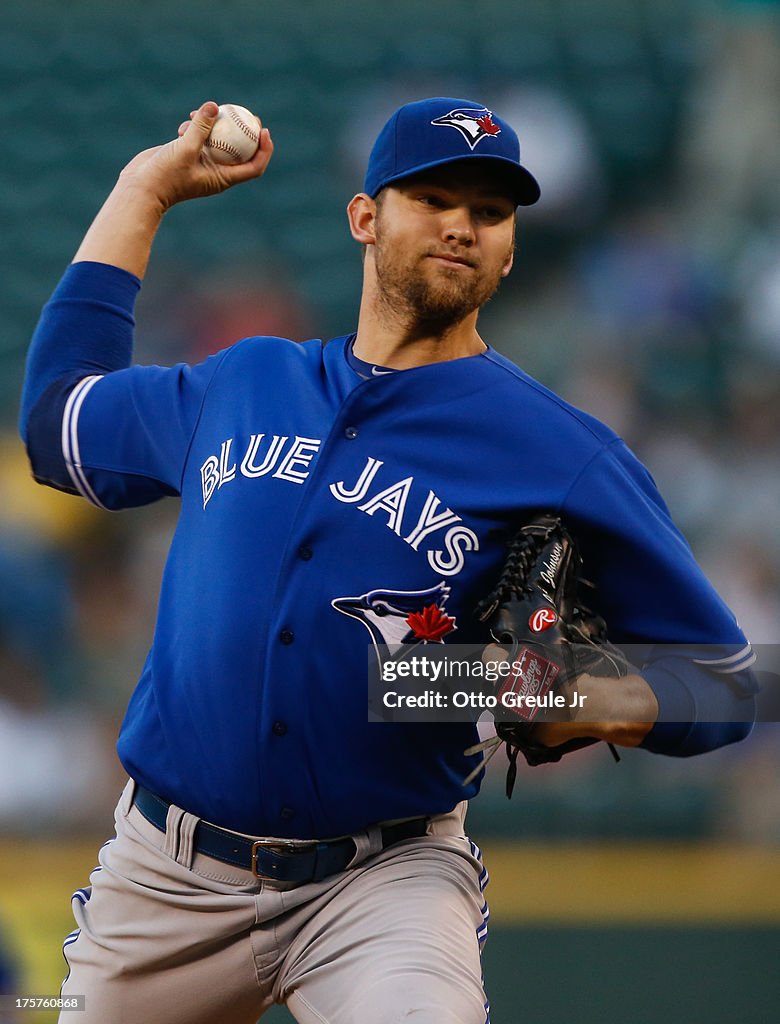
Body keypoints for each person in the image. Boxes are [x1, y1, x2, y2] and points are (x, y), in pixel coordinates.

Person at [19, 98, 756, 1024]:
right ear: (365, 218)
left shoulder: (560, 450)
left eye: (490, 212)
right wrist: (145, 189)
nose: (463, 224)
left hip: (386, 879)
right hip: (165, 876)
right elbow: (57, 422)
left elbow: (726, 685)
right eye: (434, 197)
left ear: (512, 249)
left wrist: (571, 696)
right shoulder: (245, 382)